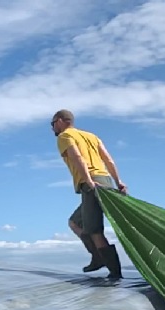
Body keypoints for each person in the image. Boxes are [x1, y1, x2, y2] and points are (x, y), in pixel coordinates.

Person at [51, 109, 128, 279]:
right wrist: (118, 181)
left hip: (91, 182)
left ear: (61, 121)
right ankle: (97, 256)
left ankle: (113, 272)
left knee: (94, 230)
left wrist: (88, 180)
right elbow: (108, 159)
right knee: (75, 222)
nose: (52, 128)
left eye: (53, 124)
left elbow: (78, 157)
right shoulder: (91, 136)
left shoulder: (65, 136)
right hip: (105, 180)